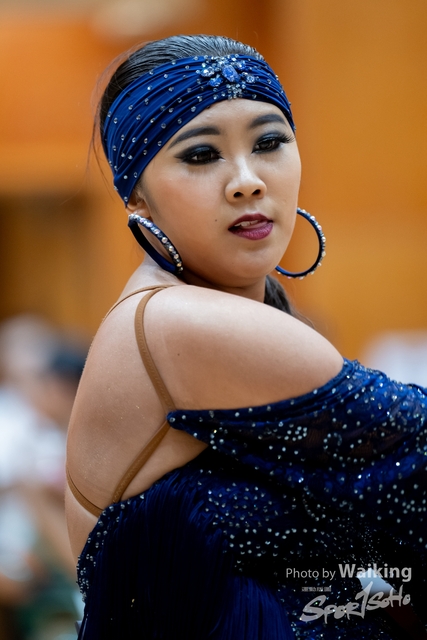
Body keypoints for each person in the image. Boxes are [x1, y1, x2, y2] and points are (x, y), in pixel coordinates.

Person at [65, 34, 427, 639]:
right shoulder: (179, 324)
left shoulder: (205, 315)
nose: (247, 180)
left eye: (268, 142)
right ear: (138, 197)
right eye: (201, 154)